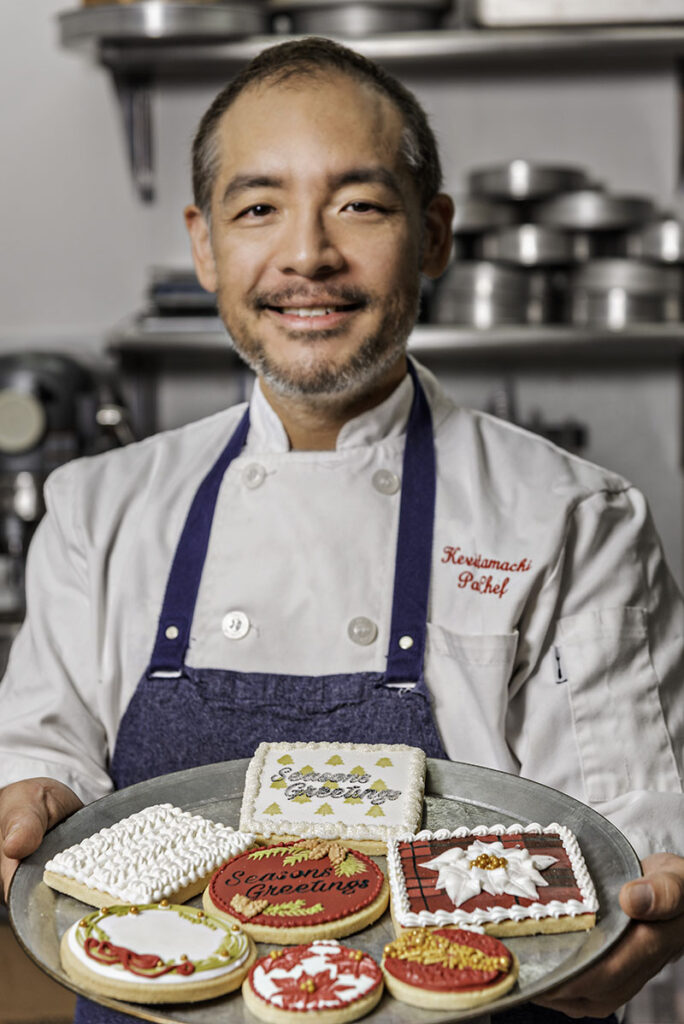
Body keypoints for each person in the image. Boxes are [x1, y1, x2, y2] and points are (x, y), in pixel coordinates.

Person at [0, 36, 683, 1023]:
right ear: (204, 245)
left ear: (435, 234)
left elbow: (625, 829)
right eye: (258, 207)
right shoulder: (96, 509)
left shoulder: (573, 519)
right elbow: (40, 755)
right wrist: (28, 800)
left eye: (359, 204)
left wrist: (634, 920)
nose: (307, 254)